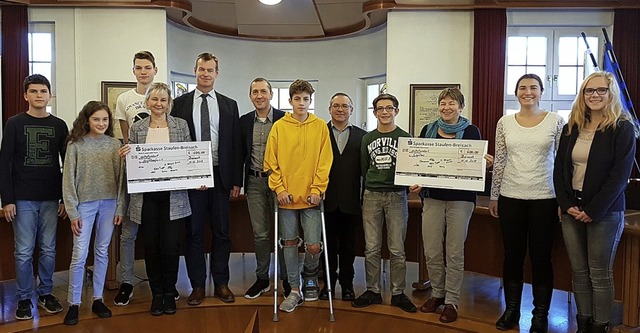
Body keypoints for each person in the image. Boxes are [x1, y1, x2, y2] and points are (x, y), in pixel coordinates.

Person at [554, 72, 636, 333]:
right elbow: (559, 169)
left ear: (611, 95)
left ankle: (600, 326)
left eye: (601, 90)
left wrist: (593, 210)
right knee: (578, 273)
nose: (595, 95)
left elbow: (619, 176)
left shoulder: (622, 127)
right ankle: (584, 322)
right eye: (590, 91)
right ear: (583, 94)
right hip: (571, 210)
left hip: (605, 212)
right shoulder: (573, 126)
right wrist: (566, 204)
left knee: (599, 274)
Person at [489, 74, 565, 333]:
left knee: (541, 259)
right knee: (512, 257)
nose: (528, 92)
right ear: (516, 92)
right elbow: (500, 160)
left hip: (545, 198)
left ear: (542, 91)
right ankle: (511, 311)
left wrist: (562, 199)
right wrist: (494, 195)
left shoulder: (556, 121)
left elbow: (562, 163)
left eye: (533, 87)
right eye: (523, 88)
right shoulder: (505, 122)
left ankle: (540, 315)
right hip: (511, 197)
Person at [409, 88, 492, 323]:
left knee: (454, 252)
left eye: (452, 103)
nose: (446, 107)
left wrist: (484, 166)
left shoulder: (471, 131)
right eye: (442, 103)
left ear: (461, 107)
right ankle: (437, 293)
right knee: (432, 251)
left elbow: (474, 166)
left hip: (461, 200)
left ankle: (451, 301)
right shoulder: (428, 130)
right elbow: (421, 163)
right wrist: (415, 180)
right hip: (432, 197)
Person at [170, 52, 242, 305]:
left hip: (221, 177)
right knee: (194, 233)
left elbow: (235, 144)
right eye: (202, 69)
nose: (205, 74)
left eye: (210, 70)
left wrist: (236, 180)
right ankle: (198, 286)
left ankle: (221, 283)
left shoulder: (229, 104)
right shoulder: (179, 103)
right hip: (191, 179)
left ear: (217, 73)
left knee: (222, 232)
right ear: (195, 70)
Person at [119, 83, 192, 316]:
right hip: (146, 196)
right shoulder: (137, 128)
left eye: (163, 100)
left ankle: (170, 292)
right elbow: (133, 163)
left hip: (174, 195)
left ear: (169, 103)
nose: (159, 104)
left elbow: (190, 156)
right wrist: (126, 156)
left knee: (171, 246)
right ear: (147, 102)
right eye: (154, 100)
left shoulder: (180, 126)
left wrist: (198, 174)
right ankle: (156, 293)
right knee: (151, 246)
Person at [0, 74, 68, 320]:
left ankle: (45, 293)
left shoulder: (60, 125)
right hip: (22, 199)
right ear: (25, 95)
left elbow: (67, 165)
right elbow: (4, 162)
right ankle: (24, 298)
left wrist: (64, 198)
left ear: (50, 95)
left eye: (43, 91)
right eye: (34, 91)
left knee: (49, 249)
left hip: (51, 198)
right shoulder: (14, 123)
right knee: (24, 251)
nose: (39, 95)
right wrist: (7, 199)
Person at [264, 79, 333, 313]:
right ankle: (294, 289)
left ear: (310, 101)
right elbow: (270, 162)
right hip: (286, 198)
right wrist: (279, 189)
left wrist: (317, 189)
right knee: (290, 242)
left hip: (312, 198)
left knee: (313, 245)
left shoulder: (320, 126)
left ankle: (310, 276)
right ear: (290, 100)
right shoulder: (279, 127)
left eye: (305, 99)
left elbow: (325, 162)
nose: (301, 103)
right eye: (297, 99)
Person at [352, 93, 417, 313]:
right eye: (380, 109)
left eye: (389, 108)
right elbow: (364, 168)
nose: (385, 112)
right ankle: (373, 290)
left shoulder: (405, 137)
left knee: (397, 249)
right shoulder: (367, 139)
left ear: (396, 111)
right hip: (371, 195)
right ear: (375, 113)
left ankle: (398, 293)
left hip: (397, 196)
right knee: (371, 248)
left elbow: (412, 168)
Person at [62, 101, 125, 325]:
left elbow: (121, 181)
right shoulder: (75, 145)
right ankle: (74, 303)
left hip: (109, 204)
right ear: (87, 120)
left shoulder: (114, 145)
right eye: (96, 119)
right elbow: (68, 180)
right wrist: (73, 211)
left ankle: (98, 299)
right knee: (79, 255)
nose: (101, 123)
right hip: (84, 206)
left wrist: (120, 206)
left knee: (102, 252)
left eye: (105, 120)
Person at [113, 50, 159, 307]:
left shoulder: (163, 97)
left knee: (156, 233)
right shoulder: (124, 99)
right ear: (134, 71)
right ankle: (127, 282)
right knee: (129, 233)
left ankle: (160, 283)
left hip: (159, 176)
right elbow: (126, 137)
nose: (143, 71)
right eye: (139, 67)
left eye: (148, 67)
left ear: (155, 70)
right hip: (135, 173)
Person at [239, 78, 290, 299]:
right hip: (255, 183)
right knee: (260, 234)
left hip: (280, 184)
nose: (259, 96)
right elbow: (238, 153)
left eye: (263, 91)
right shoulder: (243, 122)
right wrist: (235, 183)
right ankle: (262, 278)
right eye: (254, 92)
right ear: (250, 96)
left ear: (270, 94)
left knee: (284, 234)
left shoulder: (285, 120)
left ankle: (288, 278)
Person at [319, 92, 366, 302]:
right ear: (329, 109)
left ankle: (347, 285)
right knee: (327, 246)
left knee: (348, 247)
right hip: (324, 201)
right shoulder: (319, 133)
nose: (340, 109)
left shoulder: (362, 136)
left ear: (351, 110)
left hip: (351, 202)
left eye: (345, 106)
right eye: (336, 105)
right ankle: (327, 285)